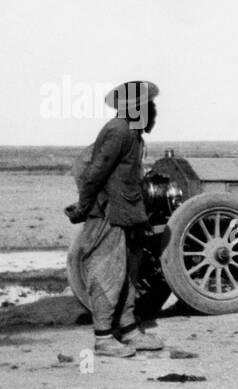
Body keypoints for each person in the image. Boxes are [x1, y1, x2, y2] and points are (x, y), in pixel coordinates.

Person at [65, 81, 166, 358]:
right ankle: (103, 338)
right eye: (150, 107)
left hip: (128, 215)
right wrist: (84, 207)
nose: (154, 113)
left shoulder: (132, 133)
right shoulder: (118, 131)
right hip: (109, 215)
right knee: (107, 273)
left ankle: (129, 329)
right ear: (137, 108)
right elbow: (94, 175)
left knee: (128, 274)